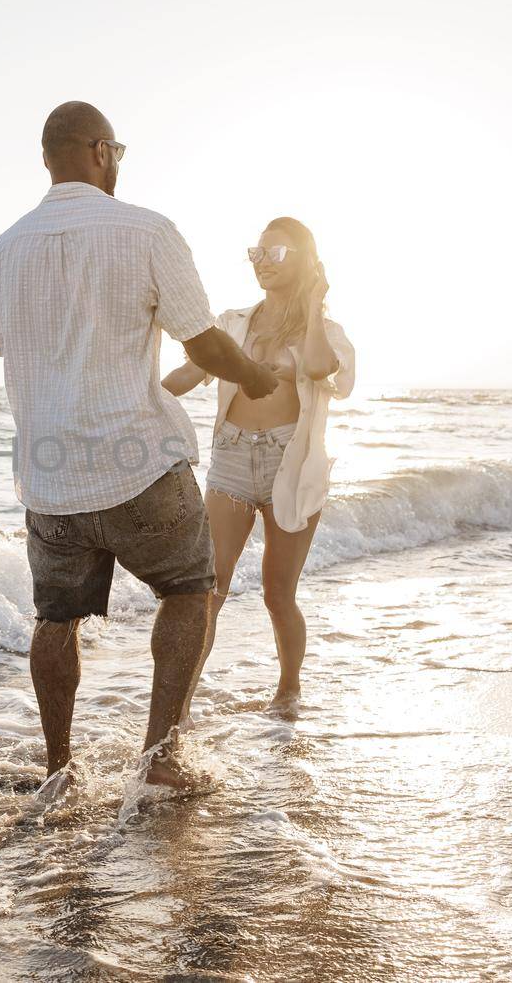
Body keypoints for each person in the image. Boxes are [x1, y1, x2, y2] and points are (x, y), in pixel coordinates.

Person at [0, 101, 278, 791]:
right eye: (115, 150)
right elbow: (200, 340)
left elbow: (12, 347)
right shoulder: (146, 230)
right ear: (98, 151)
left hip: (50, 476)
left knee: (56, 618)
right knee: (187, 587)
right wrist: (255, 375)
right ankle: (159, 757)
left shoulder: (3, 249)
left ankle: (59, 769)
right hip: (137, 462)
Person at [161, 217, 356, 713]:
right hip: (230, 460)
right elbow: (190, 371)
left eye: (277, 253)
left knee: (277, 595)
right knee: (209, 591)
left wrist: (313, 305)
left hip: (291, 463)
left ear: (306, 261)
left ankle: (288, 690)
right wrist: (134, 399)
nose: (262, 263)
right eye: (257, 253)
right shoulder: (232, 323)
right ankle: (178, 706)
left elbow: (314, 367)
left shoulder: (328, 333)